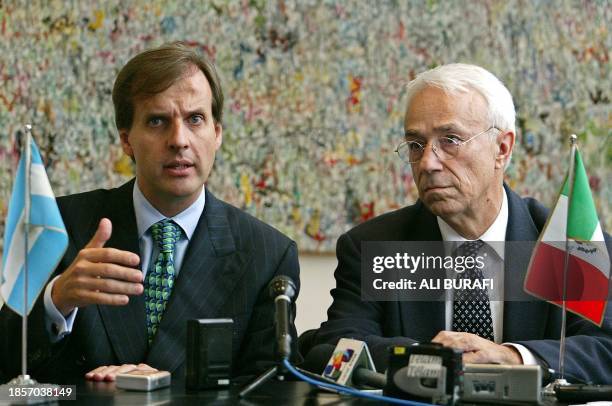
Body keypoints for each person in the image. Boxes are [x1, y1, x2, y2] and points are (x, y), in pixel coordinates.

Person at [0, 42, 300, 383]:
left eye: (195, 119)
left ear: (216, 134)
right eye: (158, 121)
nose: (179, 140)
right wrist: (57, 299)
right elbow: (7, 365)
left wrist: (161, 384)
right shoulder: (63, 226)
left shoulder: (267, 255)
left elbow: (274, 389)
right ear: (127, 140)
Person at [311, 63, 611, 383]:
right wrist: (433, 361)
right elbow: (336, 344)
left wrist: (511, 357)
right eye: (416, 145)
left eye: (450, 140)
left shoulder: (568, 242)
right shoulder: (376, 245)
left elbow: (605, 348)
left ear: (502, 148)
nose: (427, 162)